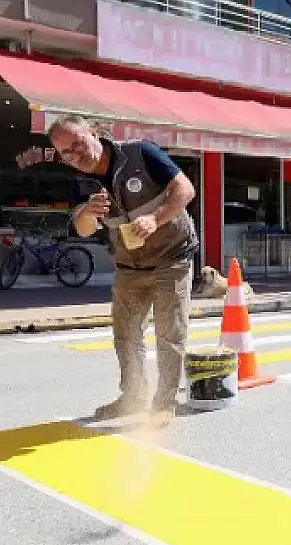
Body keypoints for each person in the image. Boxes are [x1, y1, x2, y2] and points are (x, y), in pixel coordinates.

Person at [48, 115, 199, 421]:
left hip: (172, 258)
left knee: (170, 333)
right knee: (126, 334)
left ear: (94, 132)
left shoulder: (139, 153)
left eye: (79, 143)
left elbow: (185, 189)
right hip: (130, 266)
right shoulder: (82, 182)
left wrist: (156, 218)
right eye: (68, 153)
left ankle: (163, 404)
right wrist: (88, 213)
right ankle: (132, 398)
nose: (78, 155)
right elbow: (84, 229)